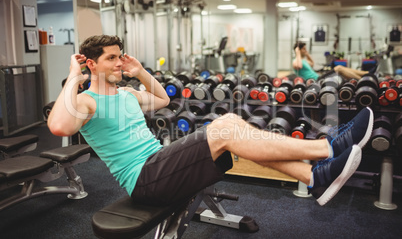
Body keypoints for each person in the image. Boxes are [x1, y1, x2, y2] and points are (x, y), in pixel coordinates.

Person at [48, 35, 374, 207]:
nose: (119, 62)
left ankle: (314, 177)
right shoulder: (86, 101)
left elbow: (162, 99)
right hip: (145, 180)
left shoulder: (127, 94)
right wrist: (73, 76)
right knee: (227, 125)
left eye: (120, 55)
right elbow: (59, 127)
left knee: (231, 126)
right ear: (91, 63)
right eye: (111, 58)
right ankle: (326, 147)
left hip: (160, 165)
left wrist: (141, 72)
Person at [293, 42, 370, 81]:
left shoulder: (304, 60)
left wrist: (307, 54)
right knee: (338, 68)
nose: (305, 50)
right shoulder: (295, 61)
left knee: (342, 68)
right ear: (298, 50)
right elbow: (299, 66)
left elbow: (312, 64)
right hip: (316, 81)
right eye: (303, 49)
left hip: (318, 77)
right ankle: (362, 81)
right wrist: (297, 53)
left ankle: (367, 74)